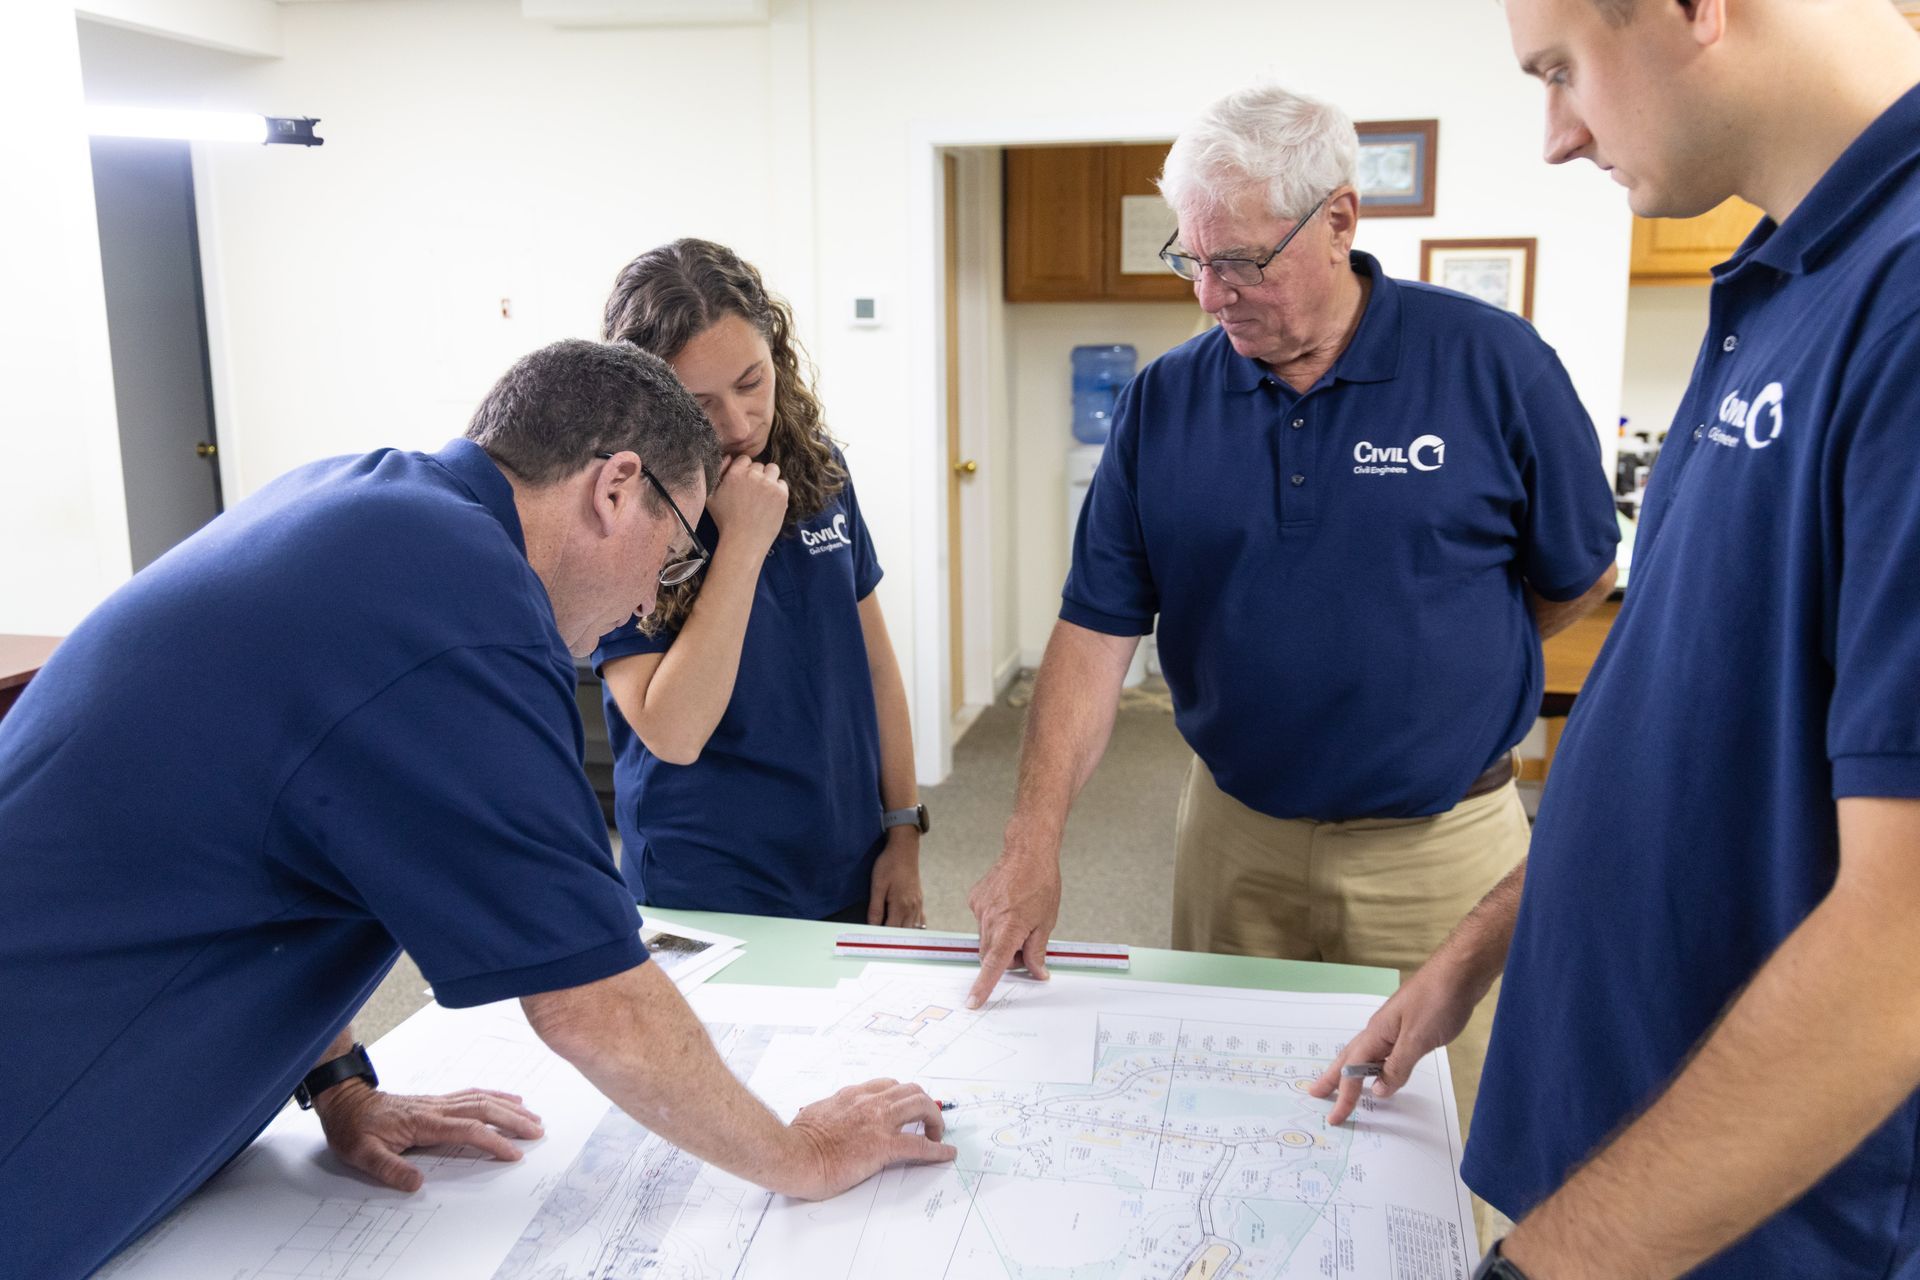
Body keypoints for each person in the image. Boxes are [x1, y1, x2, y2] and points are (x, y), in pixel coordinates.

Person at [0, 339, 953, 1280]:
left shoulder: (368, 506)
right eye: (670, 560)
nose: (647, 600)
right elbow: (595, 1008)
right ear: (616, 488)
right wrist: (808, 1152)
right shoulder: (460, 620)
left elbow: (258, 824)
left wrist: (338, 1081)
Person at [1311, 1, 1920, 1275]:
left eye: (1560, 70)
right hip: (1624, 1146)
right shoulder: (1787, 278)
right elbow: (1687, 730)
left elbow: (1901, 943)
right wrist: (1482, 948)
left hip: (1755, 1218)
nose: (1555, 133)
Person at [965, 83, 1620, 1162]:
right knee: (1235, 1134)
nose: (1214, 294)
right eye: (1195, 259)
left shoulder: (1492, 365)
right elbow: (1095, 629)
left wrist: (1447, 658)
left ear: (1342, 220)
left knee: (1440, 1145)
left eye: (1245, 262)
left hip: (1442, 853)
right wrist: (1031, 842)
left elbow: (1576, 575)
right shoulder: (1167, 399)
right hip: (1235, 840)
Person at [592, 239, 925, 926]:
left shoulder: (818, 467)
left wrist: (902, 828)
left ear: (776, 352)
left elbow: (875, 665)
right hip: (708, 884)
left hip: (845, 858)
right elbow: (673, 732)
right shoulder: (617, 510)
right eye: (701, 403)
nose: (739, 425)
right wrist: (741, 541)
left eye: (751, 382)